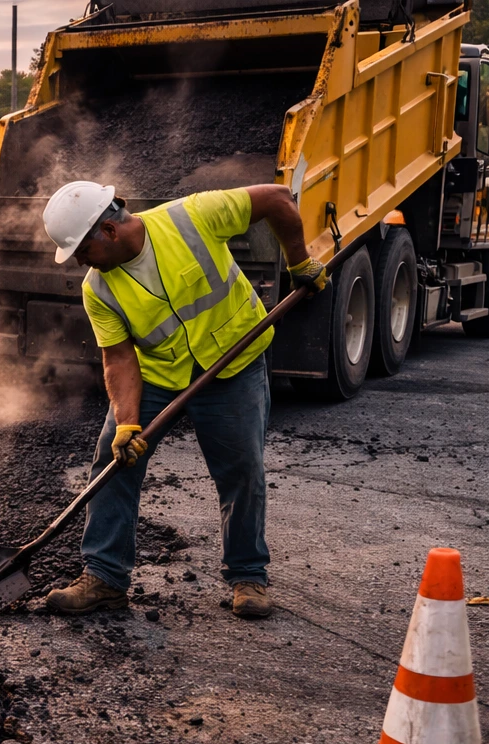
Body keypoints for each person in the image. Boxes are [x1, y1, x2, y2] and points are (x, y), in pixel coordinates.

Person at [39, 180, 327, 619]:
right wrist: (129, 423)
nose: (79, 261)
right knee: (113, 459)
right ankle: (104, 577)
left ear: (109, 232)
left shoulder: (191, 217)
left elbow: (278, 199)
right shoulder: (97, 288)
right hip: (160, 373)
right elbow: (118, 359)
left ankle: (248, 575)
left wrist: (300, 263)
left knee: (241, 467)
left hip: (234, 365)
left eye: (82, 249)